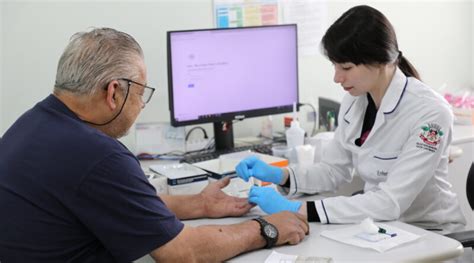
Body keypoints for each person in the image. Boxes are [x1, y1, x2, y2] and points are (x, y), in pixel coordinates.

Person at [0, 28, 309, 262]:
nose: (142, 105)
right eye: (141, 93)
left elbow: (120, 204)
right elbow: (183, 253)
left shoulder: (33, 123)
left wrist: (199, 205)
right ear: (114, 93)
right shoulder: (98, 155)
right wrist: (266, 229)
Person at [236, 5, 466, 234]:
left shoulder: (430, 113)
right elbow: (333, 171)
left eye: (346, 67)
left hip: (431, 233)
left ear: (379, 61)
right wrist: (281, 175)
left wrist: (297, 208)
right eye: (335, 66)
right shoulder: (354, 102)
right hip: (380, 228)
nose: (337, 77)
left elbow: (390, 202)